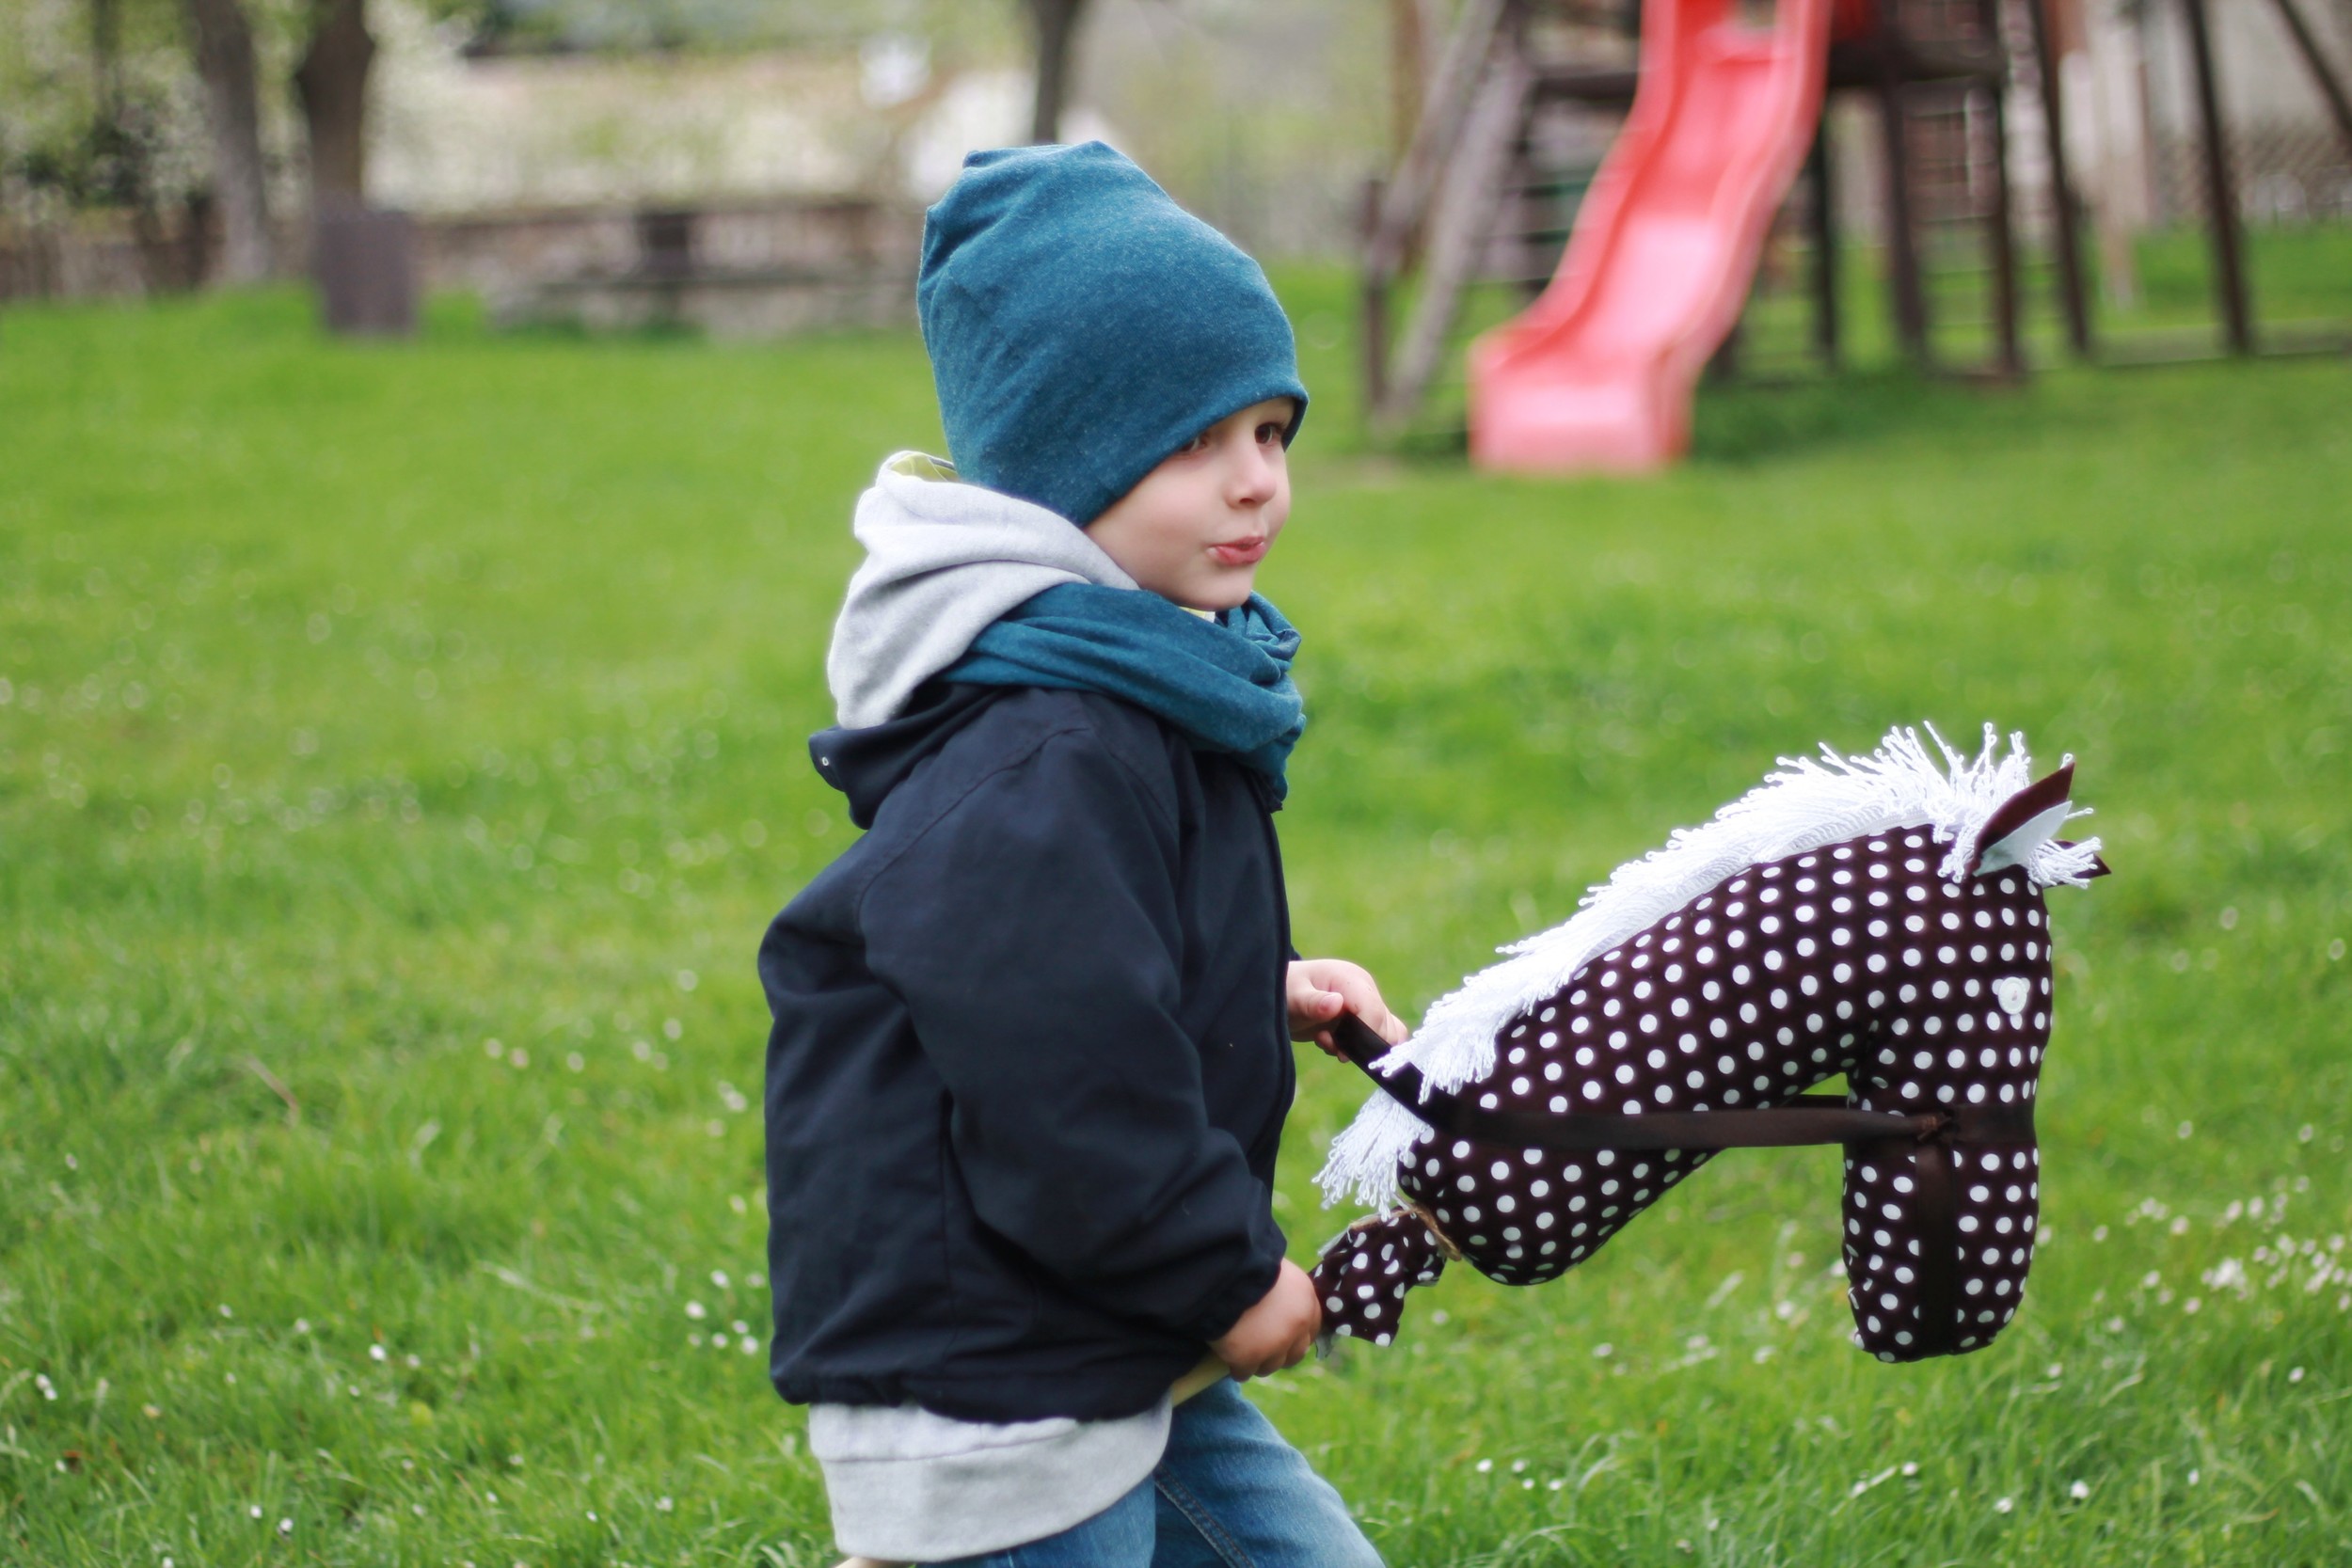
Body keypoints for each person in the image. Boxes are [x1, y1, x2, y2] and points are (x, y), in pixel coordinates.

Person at [758, 142, 1404, 1567]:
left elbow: (1081, 958)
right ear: (1067, 460)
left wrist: (1251, 986)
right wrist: (1225, 1278)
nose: (1255, 484)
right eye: (1195, 443)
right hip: (995, 1367)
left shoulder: (1131, 670)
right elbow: (1057, 1059)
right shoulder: (1047, 740)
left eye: (1272, 433)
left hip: (1107, 1322)